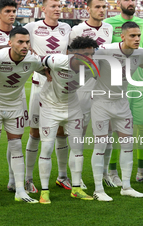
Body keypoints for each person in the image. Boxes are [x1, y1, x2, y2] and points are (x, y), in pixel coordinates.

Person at [103, 0, 143, 186]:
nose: (130, 2)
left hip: (139, 83)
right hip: (116, 85)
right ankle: (111, 173)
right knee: (113, 128)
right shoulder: (108, 24)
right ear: (118, 2)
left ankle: (142, 172)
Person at [0, 27, 45, 206]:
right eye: (20, 42)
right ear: (10, 43)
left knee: (16, 145)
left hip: (15, 106)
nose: (25, 45)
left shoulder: (33, 60)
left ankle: (19, 190)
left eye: (27, 42)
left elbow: (47, 69)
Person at [91, 21, 143, 200]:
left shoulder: (140, 53)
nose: (137, 38)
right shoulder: (105, 50)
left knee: (127, 146)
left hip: (122, 105)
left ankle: (126, 186)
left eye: (138, 35)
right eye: (132, 35)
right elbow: (83, 61)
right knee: (100, 147)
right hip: (102, 104)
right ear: (122, 36)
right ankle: (98, 190)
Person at [39, 36, 98, 204]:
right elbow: (39, 61)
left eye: (92, 54)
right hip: (50, 106)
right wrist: (44, 70)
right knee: (47, 146)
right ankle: (44, 191)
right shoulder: (58, 60)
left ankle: (77, 188)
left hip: (73, 107)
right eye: (86, 54)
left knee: (78, 147)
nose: (90, 58)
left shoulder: (93, 68)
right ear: (73, 53)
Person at [24, 0, 72, 193]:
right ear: (43, 9)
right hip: (40, 83)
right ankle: (28, 178)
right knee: (35, 132)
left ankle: (62, 176)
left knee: (62, 131)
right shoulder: (32, 27)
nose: (57, 9)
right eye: (53, 6)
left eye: (59, 6)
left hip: (60, 85)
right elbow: (23, 44)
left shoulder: (66, 28)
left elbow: (69, 52)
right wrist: (41, 65)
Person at [0, 0, 29, 192]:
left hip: (17, 94)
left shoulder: (23, 32)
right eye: (8, 11)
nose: (12, 14)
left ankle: (13, 180)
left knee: (15, 140)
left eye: (14, 11)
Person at [69, 0, 113, 189]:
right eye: (97, 7)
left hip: (103, 86)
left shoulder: (109, 28)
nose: (102, 10)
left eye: (104, 6)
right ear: (88, 9)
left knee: (106, 133)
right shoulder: (77, 29)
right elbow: (70, 57)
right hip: (83, 86)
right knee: (80, 131)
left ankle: (104, 174)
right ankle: (76, 177)